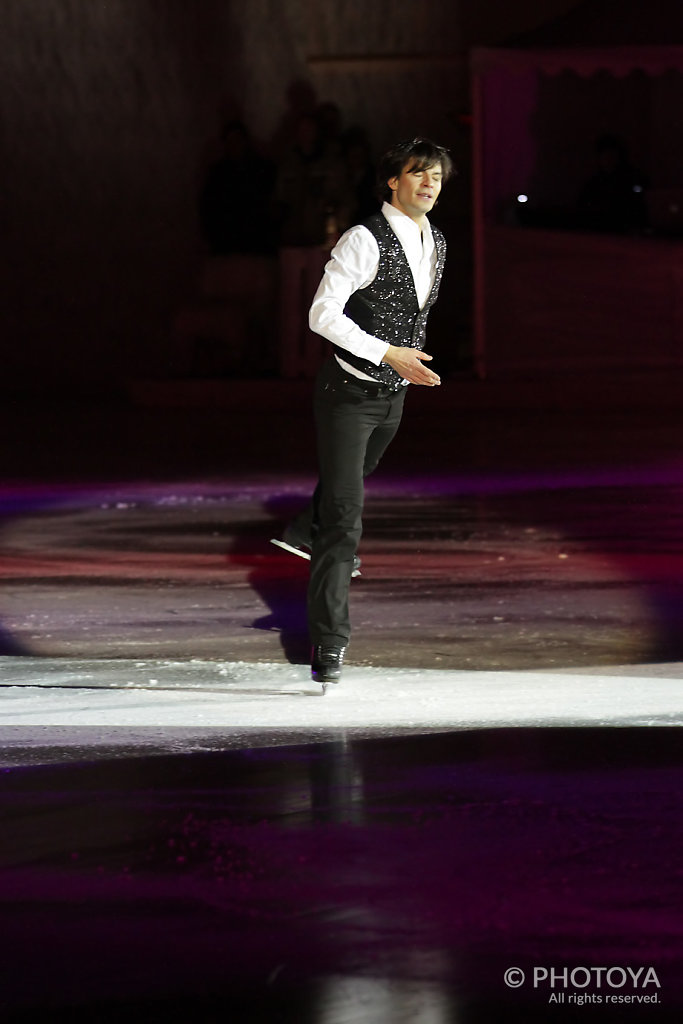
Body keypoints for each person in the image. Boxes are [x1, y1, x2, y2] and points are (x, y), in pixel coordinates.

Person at [272, 137, 455, 686]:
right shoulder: (362, 239)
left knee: (344, 492)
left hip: (392, 397)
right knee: (345, 523)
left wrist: (401, 363)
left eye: (437, 177)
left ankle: (306, 527)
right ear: (393, 181)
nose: (428, 183)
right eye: (418, 173)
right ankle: (329, 643)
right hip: (348, 396)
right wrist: (385, 351)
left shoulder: (437, 241)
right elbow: (322, 314)